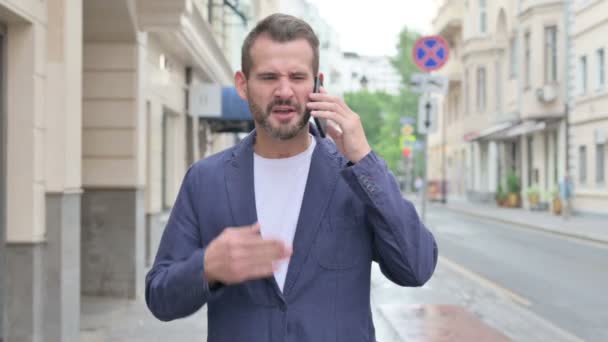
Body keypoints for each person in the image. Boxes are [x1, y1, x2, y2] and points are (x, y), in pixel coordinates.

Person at [145, 13, 438, 341]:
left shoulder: (355, 175)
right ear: (243, 85)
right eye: (269, 77)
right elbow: (160, 298)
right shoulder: (205, 180)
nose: (284, 91)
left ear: (317, 84)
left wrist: (365, 160)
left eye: (297, 76)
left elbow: (416, 268)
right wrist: (207, 267)